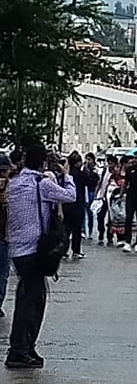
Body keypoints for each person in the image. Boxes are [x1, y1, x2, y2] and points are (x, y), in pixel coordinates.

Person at [5, 144, 77, 369]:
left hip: (17, 249)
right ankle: (19, 350)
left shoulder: (15, 182)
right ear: (43, 162)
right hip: (35, 249)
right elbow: (70, 196)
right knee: (32, 303)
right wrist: (66, 175)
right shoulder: (42, 184)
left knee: (27, 298)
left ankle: (24, 347)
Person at [62, 152, 87, 260]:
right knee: (77, 229)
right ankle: (76, 251)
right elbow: (90, 182)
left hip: (67, 204)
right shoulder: (80, 174)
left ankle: (63, 251)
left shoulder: (66, 174)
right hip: (78, 203)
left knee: (66, 229)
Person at [0, 154, 12, 319]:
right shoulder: (12, 186)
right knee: (2, 273)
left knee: (2, 273)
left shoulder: (12, 187)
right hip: (3, 236)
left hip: (4, 236)